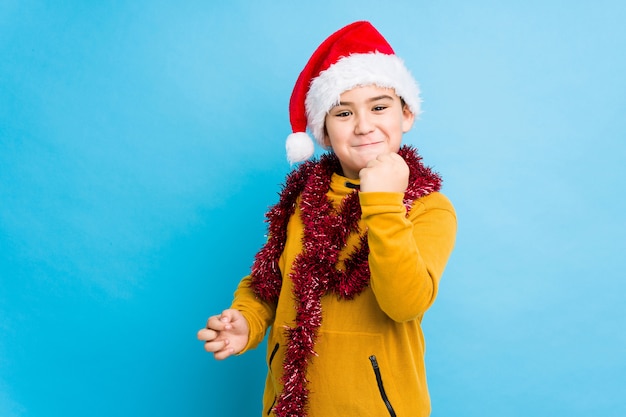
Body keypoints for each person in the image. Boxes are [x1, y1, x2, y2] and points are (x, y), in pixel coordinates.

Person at [197, 21, 457, 417]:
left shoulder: (427, 206)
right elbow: (269, 282)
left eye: (379, 107)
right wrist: (247, 322)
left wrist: (385, 203)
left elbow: (404, 303)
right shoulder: (303, 199)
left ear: (406, 114)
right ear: (323, 130)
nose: (364, 125)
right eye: (343, 113)